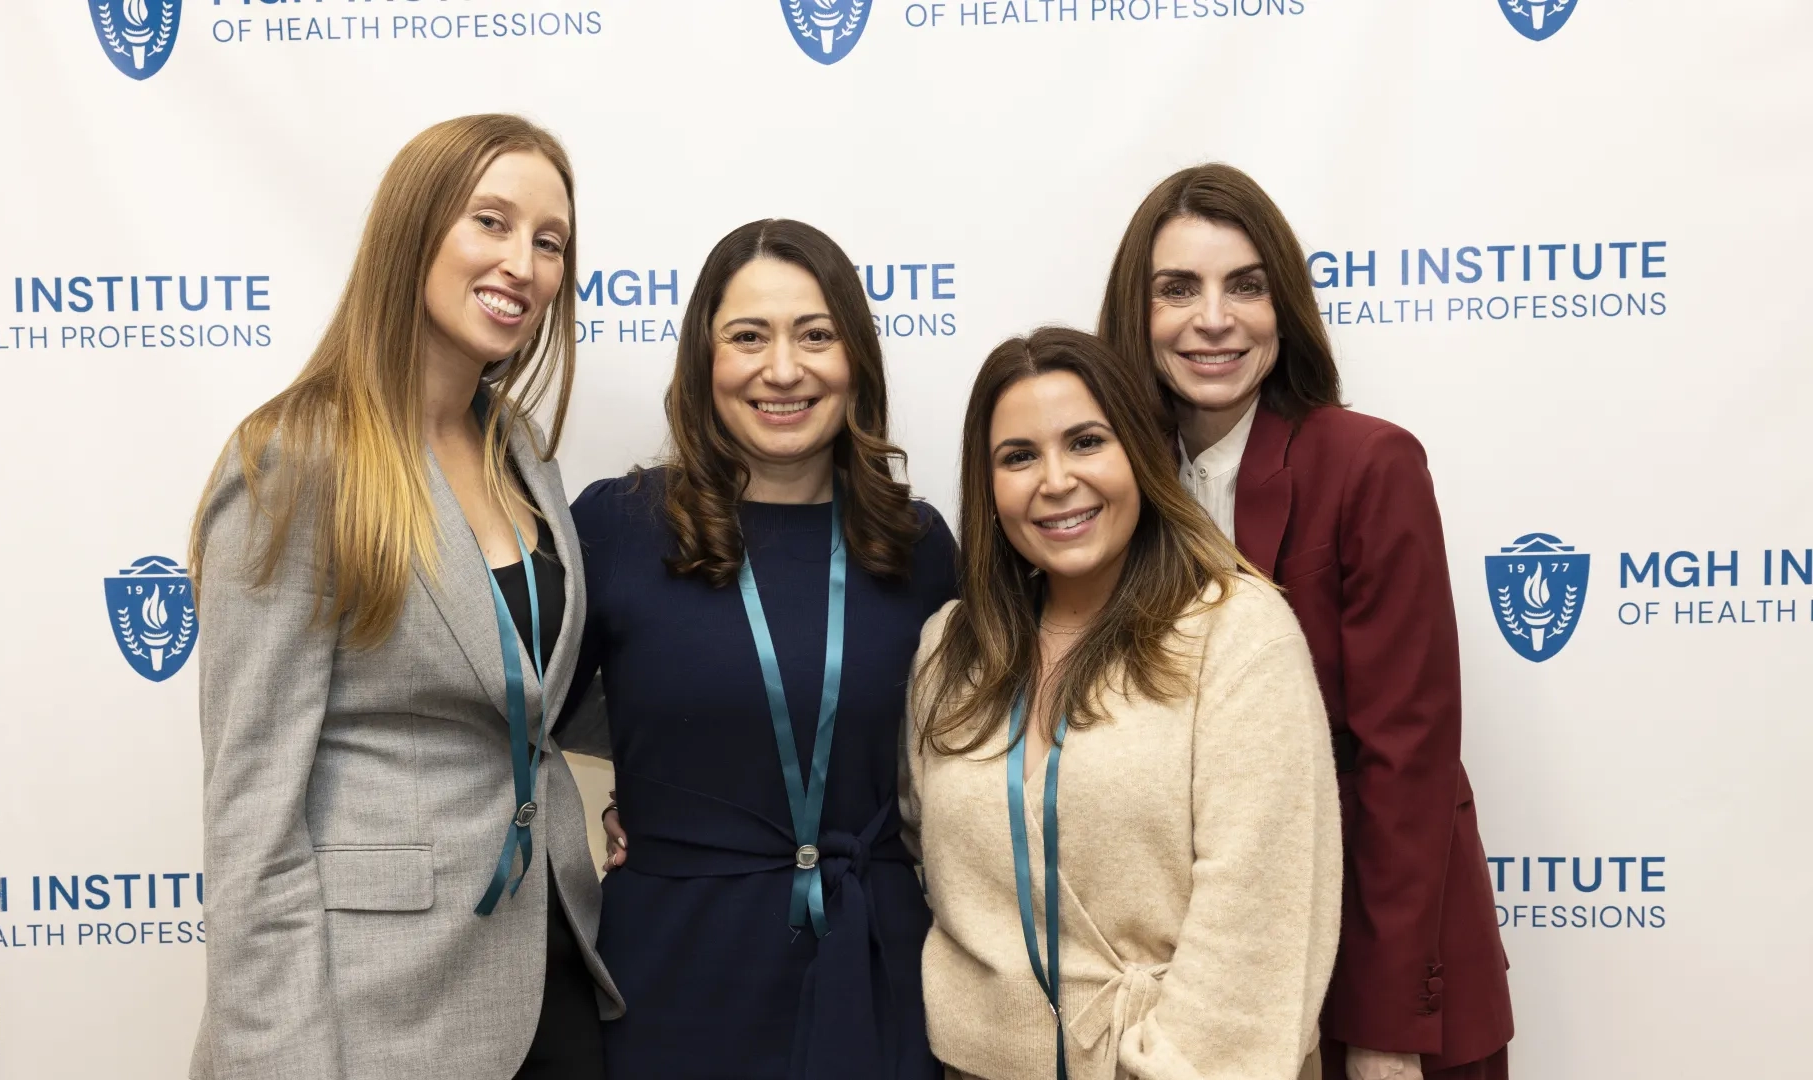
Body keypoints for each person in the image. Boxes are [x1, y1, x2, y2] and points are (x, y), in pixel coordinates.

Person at [188, 115, 617, 1080]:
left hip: (551, 966)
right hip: (375, 1005)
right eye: (491, 222)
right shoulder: (295, 460)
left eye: (549, 241)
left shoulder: (521, 452)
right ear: (414, 228)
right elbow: (253, 818)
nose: (522, 264)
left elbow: (533, 693)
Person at [1097, 163, 1514, 1080]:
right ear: (1136, 312)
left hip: (1372, 963)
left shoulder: (1370, 465)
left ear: (1283, 306)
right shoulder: (1105, 483)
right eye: (1178, 289)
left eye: (1245, 285)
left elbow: (1409, 763)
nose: (1214, 319)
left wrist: (1384, 1029)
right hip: (1202, 981)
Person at [564, 219, 954, 1080]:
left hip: (876, 970)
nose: (783, 369)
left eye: (815, 335)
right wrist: (621, 804)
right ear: (703, 360)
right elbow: (515, 727)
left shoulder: (919, 545)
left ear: (856, 358)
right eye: (748, 337)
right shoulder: (618, 526)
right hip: (673, 974)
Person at [903, 327, 1340, 1080]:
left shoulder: (1237, 630)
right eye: (1019, 457)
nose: (1056, 480)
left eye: (1086, 442)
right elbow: (924, 851)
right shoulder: (951, 648)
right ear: (988, 486)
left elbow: (1261, 911)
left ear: (1138, 451)